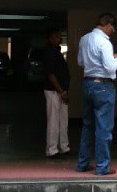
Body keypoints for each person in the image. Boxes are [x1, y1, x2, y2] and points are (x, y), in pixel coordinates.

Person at [76, 12, 117, 176]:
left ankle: (82, 164)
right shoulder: (104, 42)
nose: (112, 32)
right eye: (112, 29)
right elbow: (109, 67)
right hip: (103, 85)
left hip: (88, 83)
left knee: (87, 126)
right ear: (108, 25)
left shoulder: (84, 39)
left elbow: (80, 61)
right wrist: (116, 59)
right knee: (104, 128)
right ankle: (102, 167)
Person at [43, 27, 71, 158]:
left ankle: (64, 146)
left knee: (63, 120)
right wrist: (61, 91)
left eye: (60, 36)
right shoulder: (50, 52)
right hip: (53, 90)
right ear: (50, 38)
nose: (59, 38)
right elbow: (51, 74)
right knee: (54, 120)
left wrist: (63, 91)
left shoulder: (56, 52)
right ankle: (52, 149)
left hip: (60, 90)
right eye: (56, 36)